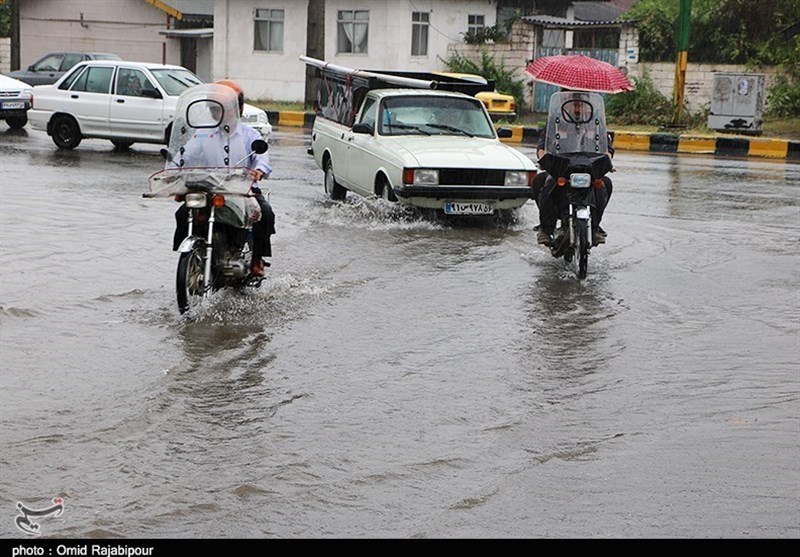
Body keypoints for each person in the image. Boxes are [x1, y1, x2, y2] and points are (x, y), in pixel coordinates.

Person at [171, 80, 275, 277]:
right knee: (182, 213)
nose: (216, 114)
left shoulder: (249, 135)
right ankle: (190, 256)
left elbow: (262, 158)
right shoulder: (203, 134)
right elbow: (186, 154)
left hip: (242, 190)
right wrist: (174, 168)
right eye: (213, 109)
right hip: (210, 188)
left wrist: (259, 170)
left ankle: (257, 260)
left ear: (237, 109)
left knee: (266, 213)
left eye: (221, 109)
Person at [533, 93, 614, 248]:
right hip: (561, 166)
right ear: (566, 103)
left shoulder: (596, 122)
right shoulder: (555, 122)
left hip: (589, 167)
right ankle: (546, 228)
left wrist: (607, 161)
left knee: (605, 184)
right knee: (544, 182)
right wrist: (543, 159)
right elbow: (542, 146)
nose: (577, 108)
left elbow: (607, 147)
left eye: (581, 103)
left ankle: (595, 227)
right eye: (574, 104)